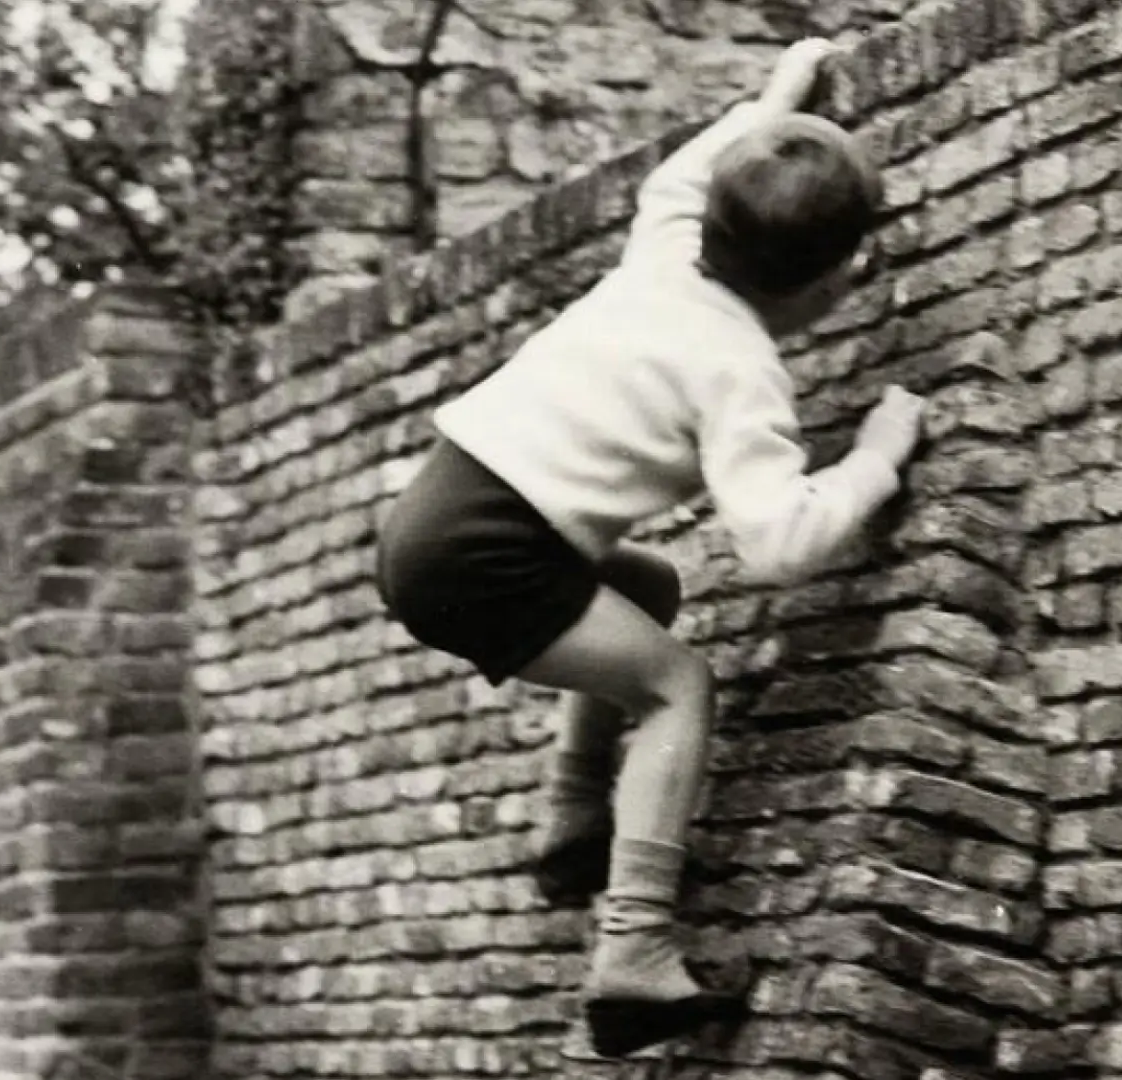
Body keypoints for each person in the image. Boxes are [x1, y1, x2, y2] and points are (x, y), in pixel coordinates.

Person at [374, 38, 926, 1058]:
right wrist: (878, 458)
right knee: (678, 685)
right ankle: (632, 952)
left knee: (644, 585)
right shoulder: (739, 369)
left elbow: (682, 172)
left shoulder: (672, 241)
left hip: (436, 514)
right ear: (832, 281)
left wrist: (776, 104)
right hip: (484, 550)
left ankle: (576, 815)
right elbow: (778, 538)